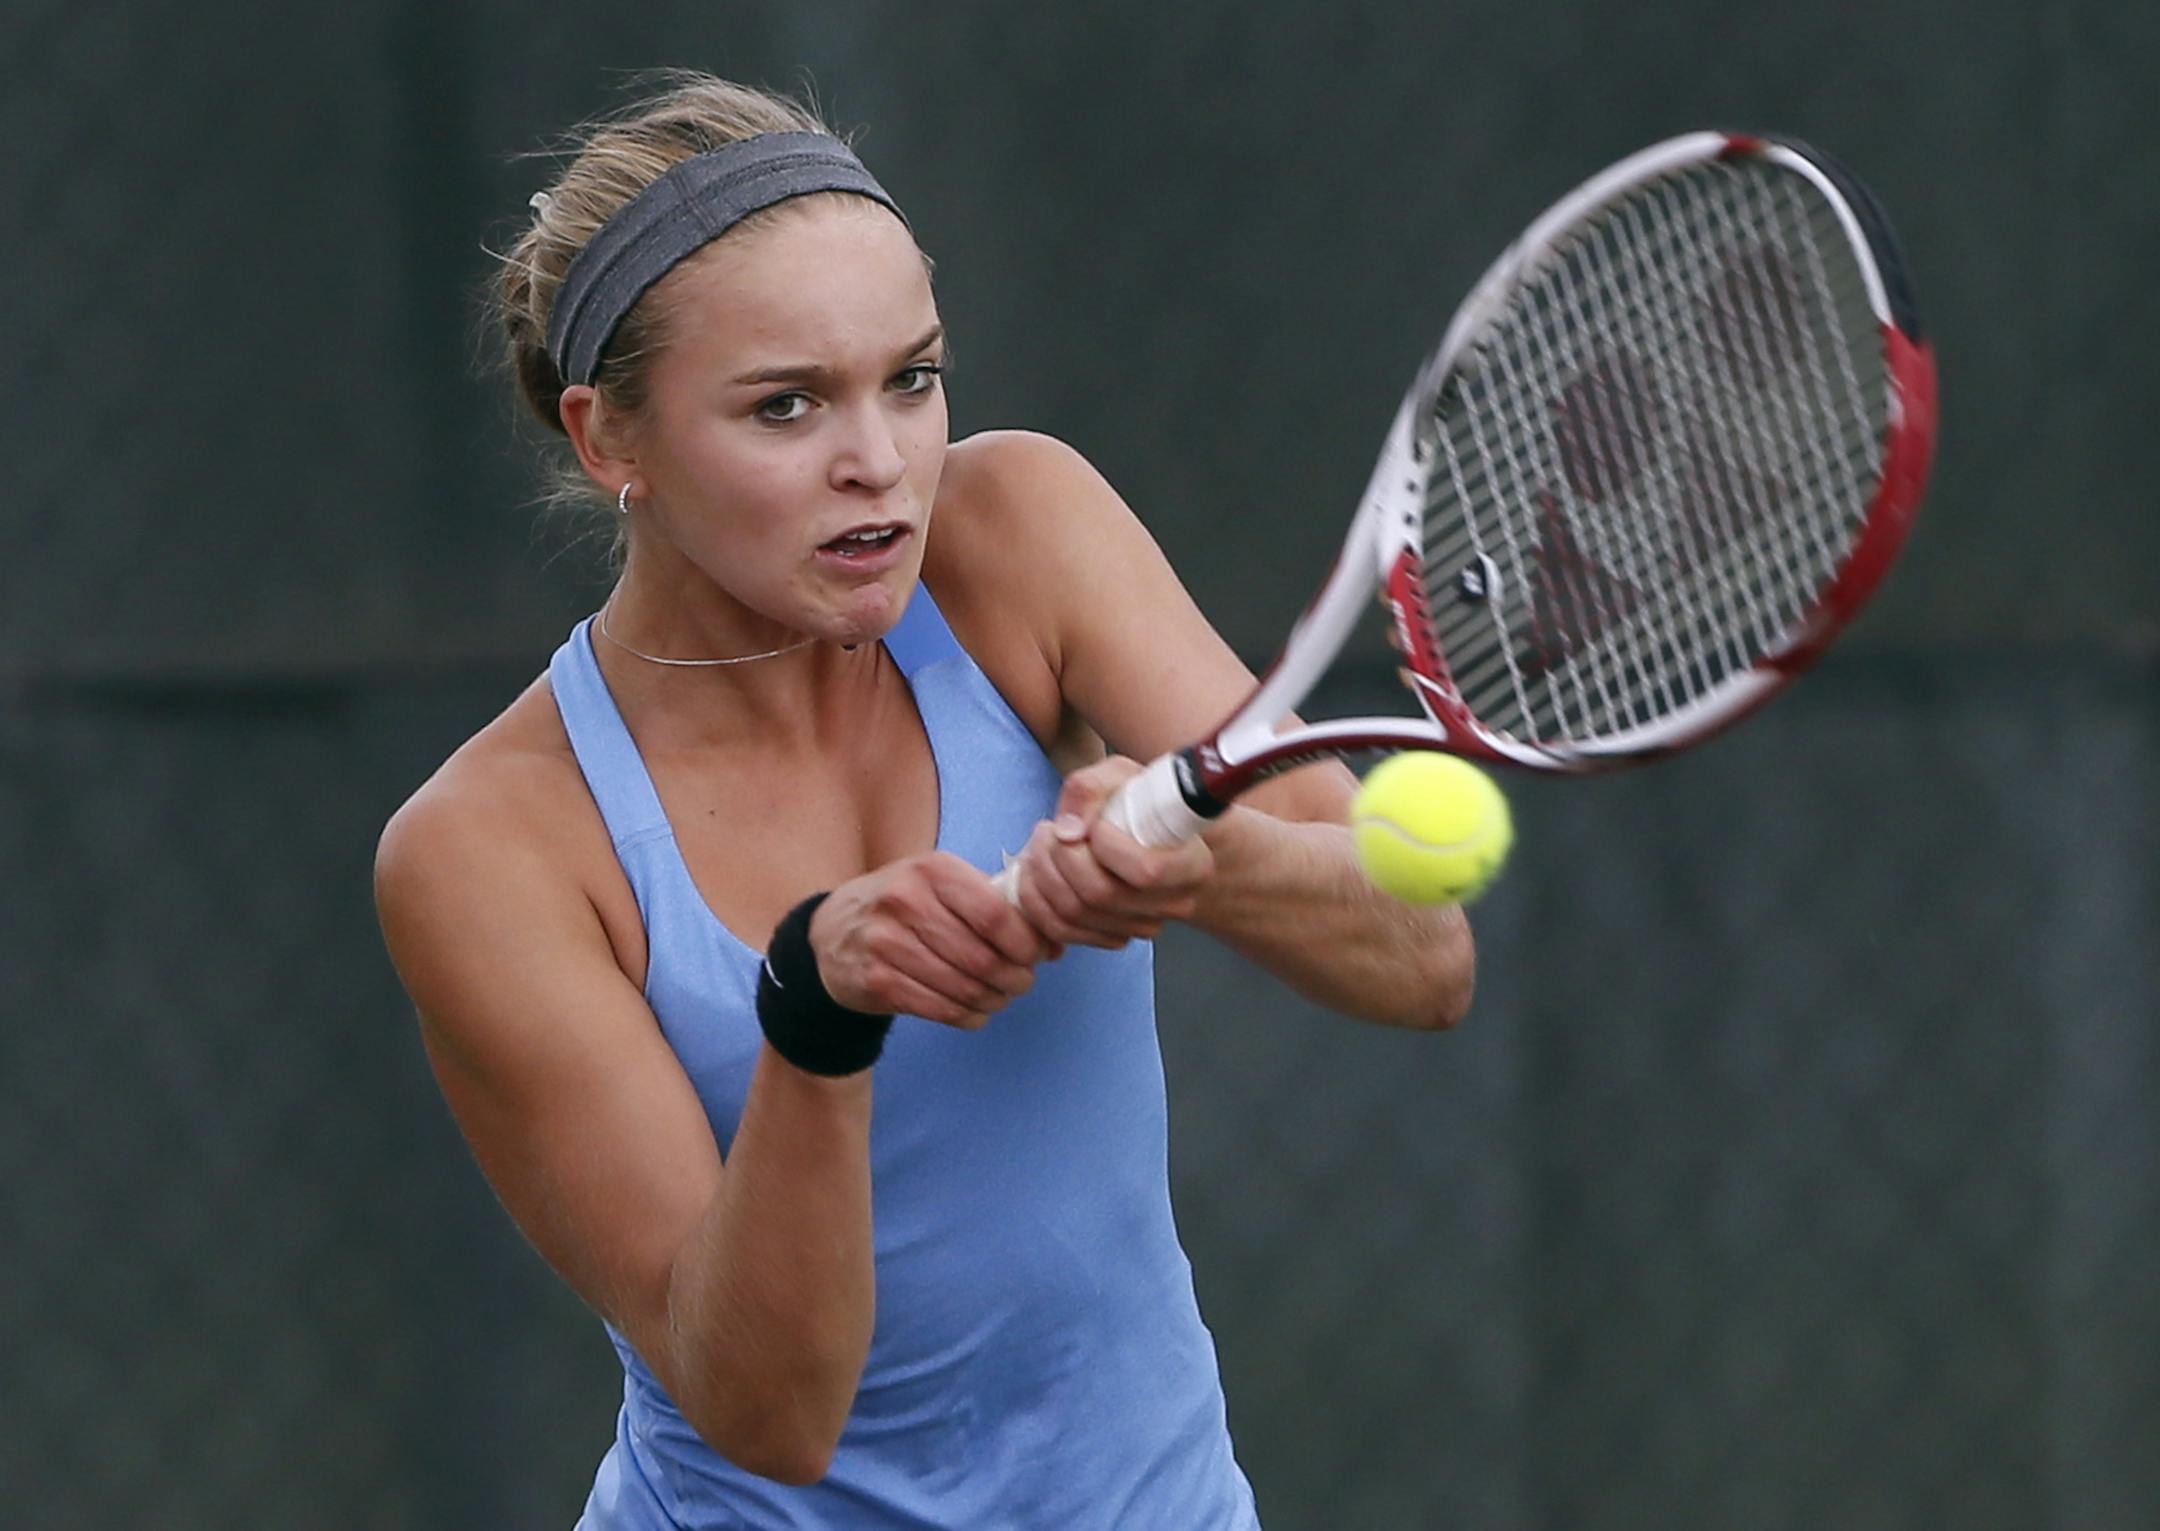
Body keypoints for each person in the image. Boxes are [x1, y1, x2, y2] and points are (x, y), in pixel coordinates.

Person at [374, 72, 1475, 1529]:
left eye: (913, 377)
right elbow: (763, 1409)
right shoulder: (488, 850)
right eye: (785, 406)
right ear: (608, 442)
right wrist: (815, 1019)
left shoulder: (1017, 530)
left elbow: (1424, 958)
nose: (880, 462)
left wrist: (1207, 871)